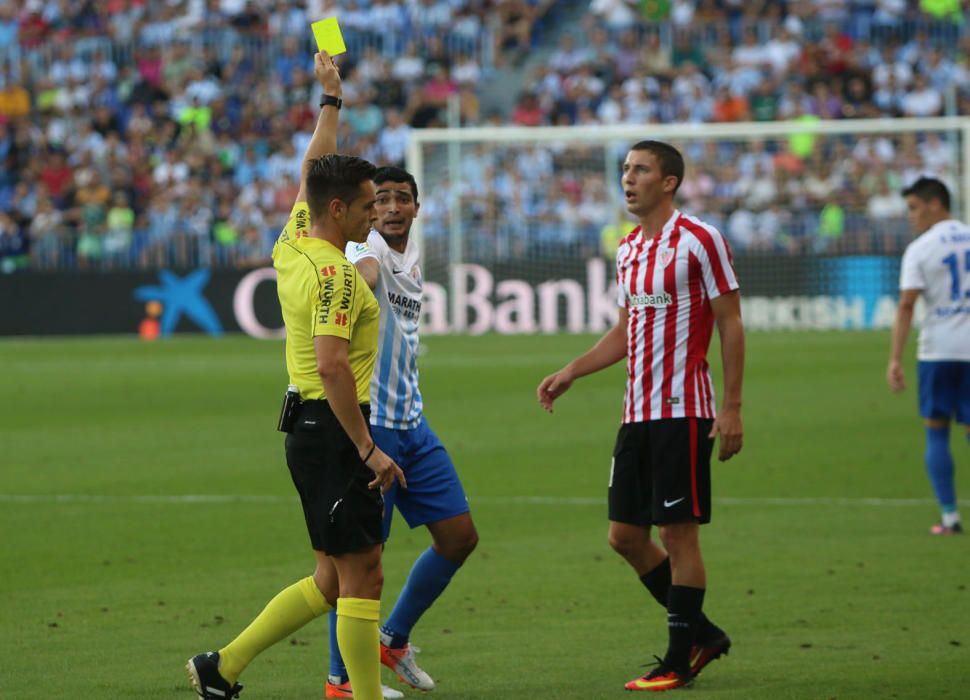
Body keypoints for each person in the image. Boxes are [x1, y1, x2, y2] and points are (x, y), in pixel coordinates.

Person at [186, 52, 405, 700]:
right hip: (335, 432)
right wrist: (368, 448)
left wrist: (330, 102)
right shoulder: (335, 273)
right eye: (367, 205)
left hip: (309, 427)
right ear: (339, 210)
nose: (375, 215)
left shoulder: (294, 241)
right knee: (363, 574)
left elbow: (313, 171)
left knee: (334, 579)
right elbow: (334, 364)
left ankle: (221, 667)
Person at [536, 140, 744, 692]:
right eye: (625, 170)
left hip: (684, 411)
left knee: (679, 539)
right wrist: (573, 370)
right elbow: (627, 330)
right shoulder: (628, 247)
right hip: (636, 414)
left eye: (641, 170)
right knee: (625, 536)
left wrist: (732, 407)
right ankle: (702, 633)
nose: (628, 179)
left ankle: (678, 659)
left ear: (668, 181)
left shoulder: (701, 241)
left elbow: (731, 324)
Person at [324, 165, 479, 698]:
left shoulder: (412, 254)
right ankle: (341, 678)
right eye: (382, 199)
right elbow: (363, 272)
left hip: (414, 422)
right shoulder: (363, 248)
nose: (391, 207)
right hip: (376, 427)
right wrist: (358, 278)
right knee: (361, 561)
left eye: (401, 199)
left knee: (459, 538)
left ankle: (392, 639)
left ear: (416, 207)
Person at [888, 176, 970, 535]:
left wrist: (894, 359)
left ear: (935, 203)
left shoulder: (921, 248)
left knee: (936, 432)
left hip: (938, 351)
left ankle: (950, 517)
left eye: (914, 208)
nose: (911, 216)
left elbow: (907, 305)